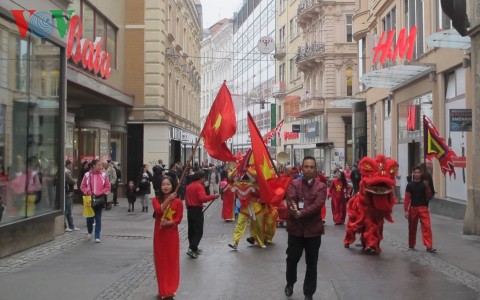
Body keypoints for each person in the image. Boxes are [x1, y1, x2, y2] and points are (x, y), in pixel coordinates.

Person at [285, 156, 327, 300]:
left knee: (312, 262)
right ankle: (290, 282)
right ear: (302, 168)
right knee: (292, 258)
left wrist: (300, 213)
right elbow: (290, 199)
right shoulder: (294, 184)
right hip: (295, 230)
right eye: (306, 166)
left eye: (312, 167)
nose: (308, 169)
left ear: (316, 169)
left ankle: (308, 292)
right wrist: (293, 209)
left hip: (313, 230)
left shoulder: (321, 187)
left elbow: (317, 205)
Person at [152, 176, 183, 300]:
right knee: (161, 262)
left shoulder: (178, 202)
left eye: (168, 184)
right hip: (159, 236)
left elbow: (179, 218)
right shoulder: (155, 199)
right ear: (160, 187)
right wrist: (168, 200)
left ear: (172, 185)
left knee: (171, 261)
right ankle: (162, 290)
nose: (166, 187)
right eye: (163, 184)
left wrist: (169, 223)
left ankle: (171, 289)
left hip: (171, 235)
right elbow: (159, 211)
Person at [185, 171, 219, 258]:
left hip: (190, 209)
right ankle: (192, 248)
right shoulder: (199, 186)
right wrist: (213, 196)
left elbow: (187, 199)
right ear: (201, 178)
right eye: (204, 178)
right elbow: (202, 198)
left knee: (191, 230)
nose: (205, 180)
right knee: (198, 231)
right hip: (196, 210)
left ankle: (194, 247)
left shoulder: (189, 186)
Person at [404, 166, 436, 253]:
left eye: (418, 172)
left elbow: (429, 197)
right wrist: (406, 210)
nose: (417, 174)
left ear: (421, 173)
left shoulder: (424, 184)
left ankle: (429, 245)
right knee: (412, 227)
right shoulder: (409, 185)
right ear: (413, 173)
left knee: (427, 226)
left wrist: (427, 187)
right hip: (413, 208)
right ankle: (411, 244)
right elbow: (407, 199)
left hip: (423, 207)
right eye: (415, 172)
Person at [80, 159, 111, 243]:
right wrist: (87, 191)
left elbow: (108, 186)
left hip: (99, 198)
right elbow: (82, 186)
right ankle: (89, 232)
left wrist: (102, 191)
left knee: (98, 218)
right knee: (90, 218)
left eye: (101, 165)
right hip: (89, 199)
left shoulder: (103, 175)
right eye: (99, 165)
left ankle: (97, 236)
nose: (101, 167)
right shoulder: (87, 175)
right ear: (94, 166)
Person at [64, 160, 79, 232]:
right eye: (70, 165)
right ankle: (65, 226)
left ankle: (71, 225)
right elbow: (71, 181)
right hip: (66, 192)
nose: (71, 166)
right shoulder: (66, 172)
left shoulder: (67, 172)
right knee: (67, 210)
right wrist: (75, 181)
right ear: (68, 164)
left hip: (68, 192)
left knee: (69, 210)